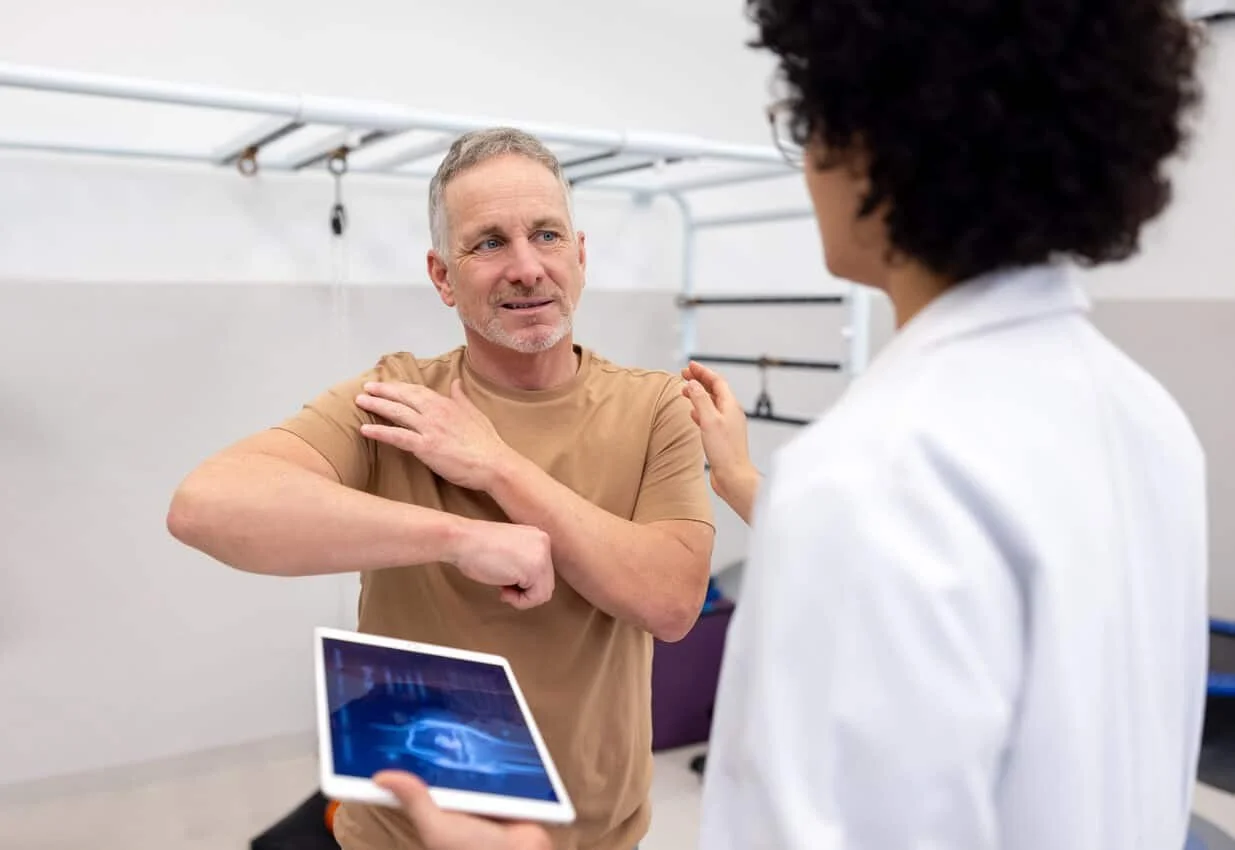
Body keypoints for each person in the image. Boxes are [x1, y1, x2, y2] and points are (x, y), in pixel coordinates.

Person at [371, 0, 1212, 848]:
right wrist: (738, 478)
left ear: (873, 145)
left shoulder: (868, 471)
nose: (805, 158)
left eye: (806, 120)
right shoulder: (1146, 419)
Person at [165, 127, 716, 850]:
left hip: (588, 836)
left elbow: (670, 601)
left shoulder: (653, 408)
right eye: (488, 243)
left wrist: (497, 468)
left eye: (546, 235)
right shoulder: (396, 400)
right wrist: (461, 537)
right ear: (441, 275)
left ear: (579, 255)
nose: (526, 268)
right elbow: (205, 504)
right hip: (397, 835)